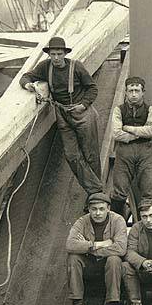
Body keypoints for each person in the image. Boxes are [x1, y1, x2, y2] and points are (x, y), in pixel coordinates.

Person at [20, 36, 102, 196]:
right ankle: (96, 190)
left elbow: (92, 88)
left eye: (59, 54)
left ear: (64, 53)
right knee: (71, 155)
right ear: (49, 54)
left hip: (82, 113)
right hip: (62, 114)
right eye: (53, 54)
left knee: (90, 154)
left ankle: (96, 197)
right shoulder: (45, 67)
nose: (56, 58)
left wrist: (83, 105)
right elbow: (26, 76)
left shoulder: (76, 67)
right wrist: (28, 85)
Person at [65, 192, 127, 305]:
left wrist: (87, 247)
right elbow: (70, 245)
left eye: (101, 209)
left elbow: (121, 248)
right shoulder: (82, 221)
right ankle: (78, 303)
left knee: (115, 259)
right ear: (89, 209)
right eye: (94, 209)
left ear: (108, 208)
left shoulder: (118, 220)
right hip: (89, 266)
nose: (97, 213)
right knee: (73, 258)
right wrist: (98, 244)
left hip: (107, 266)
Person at [110, 76, 152, 219]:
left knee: (148, 191)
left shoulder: (151, 110)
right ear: (125, 92)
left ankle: (149, 226)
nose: (134, 94)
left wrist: (128, 128)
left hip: (146, 152)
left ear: (143, 92)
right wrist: (140, 133)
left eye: (137, 90)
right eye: (130, 90)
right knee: (119, 191)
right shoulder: (118, 110)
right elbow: (116, 134)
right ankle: (115, 227)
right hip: (124, 152)